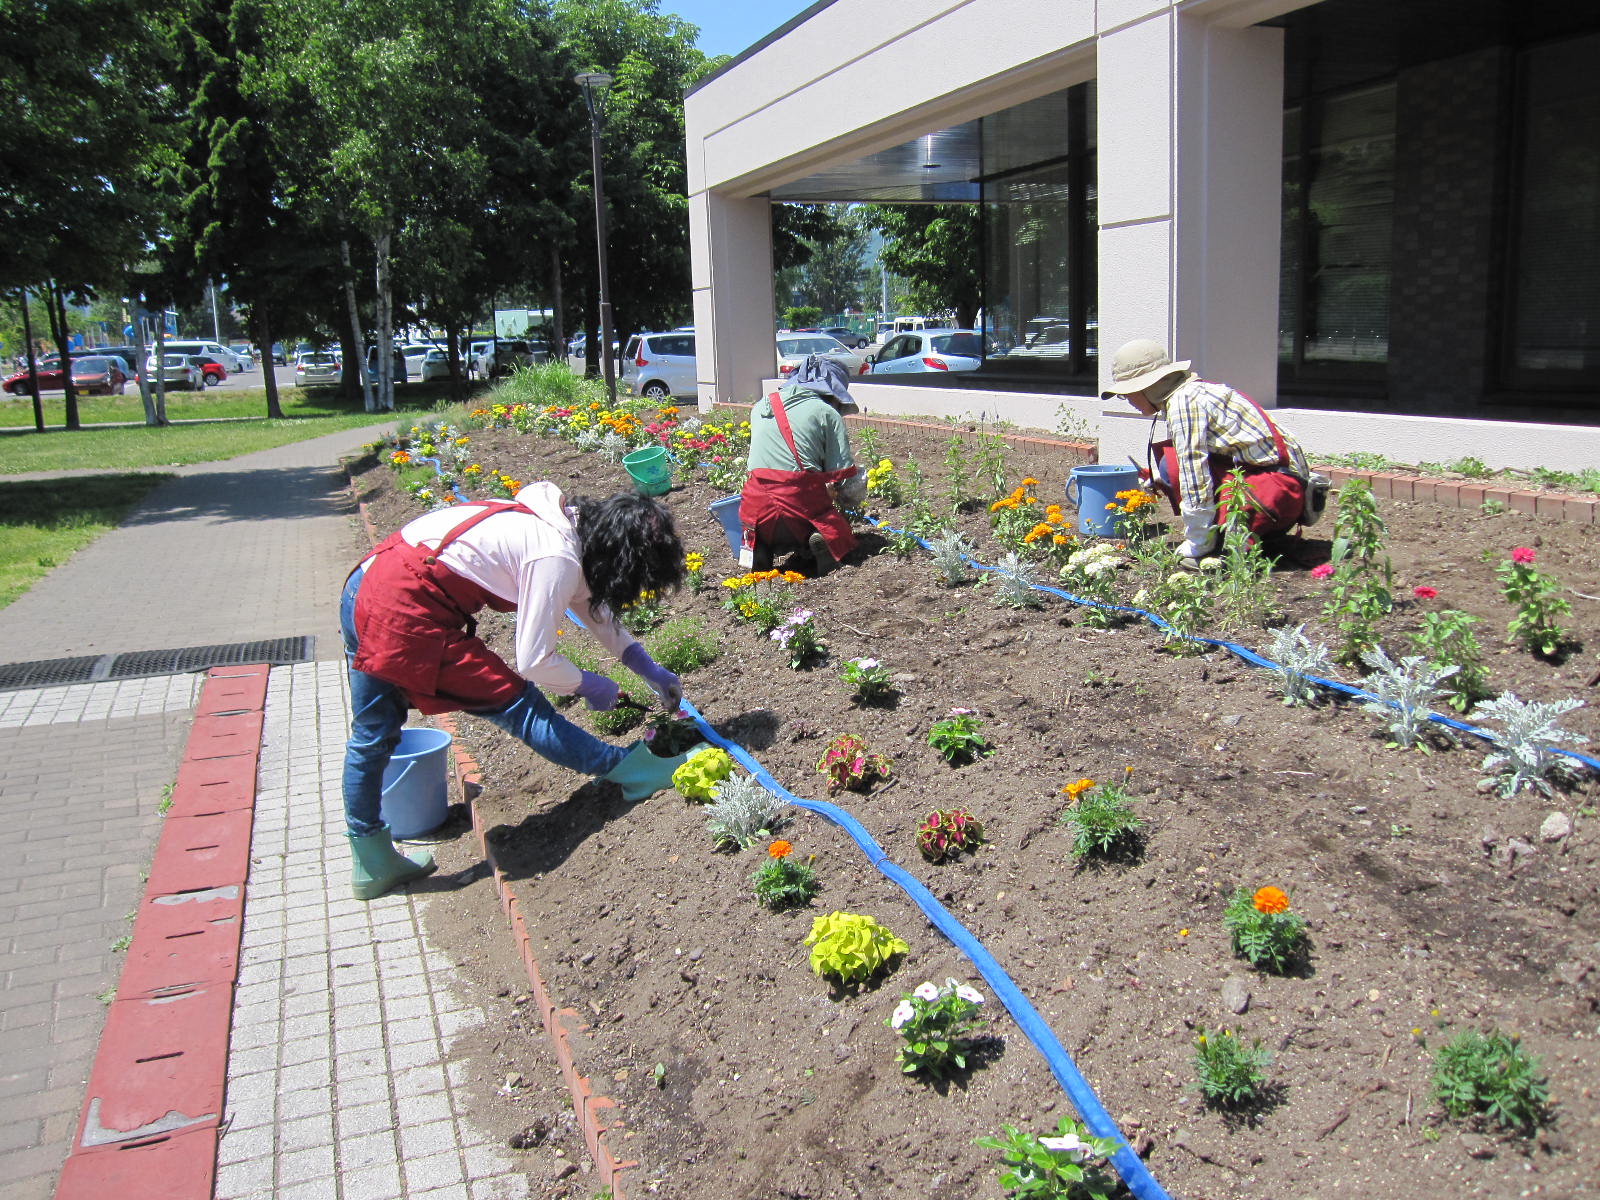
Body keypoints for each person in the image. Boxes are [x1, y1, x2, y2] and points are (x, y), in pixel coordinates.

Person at [338, 482, 704, 900]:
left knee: (372, 735)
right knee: (520, 705)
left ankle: (370, 860)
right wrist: (589, 684)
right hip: (404, 608)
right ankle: (630, 772)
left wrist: (646, 667)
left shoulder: (566, 525)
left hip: (366, 585)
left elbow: (591, 605)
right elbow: (533, 661)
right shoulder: (555, 556)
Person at [1102, 339, 1311, 565]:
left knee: (1172, 464)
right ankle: (1237, 534)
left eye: (1126, 394)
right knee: (1168, 467)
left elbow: (1194, 473)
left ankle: (1222, 544)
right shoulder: (1194, 392)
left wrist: (1197, 542)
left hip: (1279, 493)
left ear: (1146, 388)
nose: (1128, 401)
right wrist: (1162, 479)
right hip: (1289, 489)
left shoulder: (1183, 403)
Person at [738, 355, 866, 574]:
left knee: (761, 528)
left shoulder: (760, 406)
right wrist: (845, 501)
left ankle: (759, 547)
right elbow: (845, 481)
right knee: (837, 529)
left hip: (754, 508)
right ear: (833, 393)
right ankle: (822, 538)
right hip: (798, 506)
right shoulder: (827, 413)